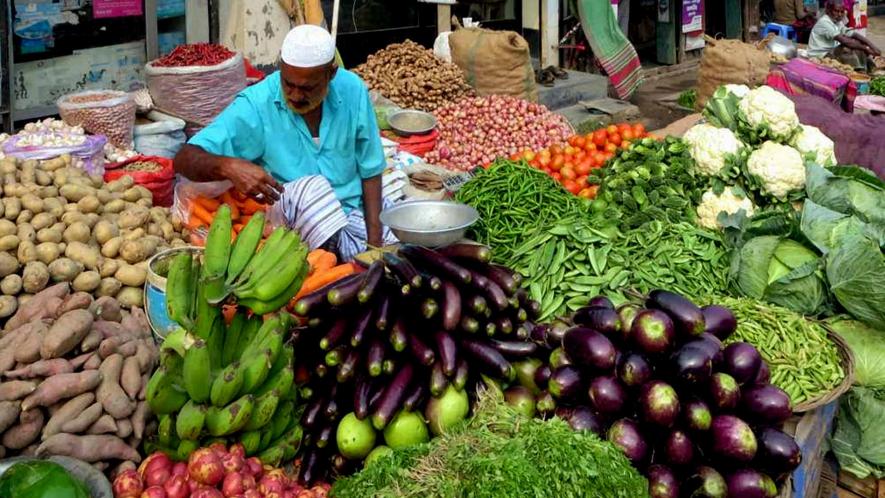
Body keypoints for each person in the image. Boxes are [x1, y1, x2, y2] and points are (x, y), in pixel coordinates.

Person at [173, 25, 399, 261]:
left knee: (412, 230)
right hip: (293, 217)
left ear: (330, 74)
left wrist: (375, 247)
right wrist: (228, 166)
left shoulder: (352, 89)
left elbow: (371, 168)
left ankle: (349, 252)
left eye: (307, 88)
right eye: (288, 84)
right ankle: (333, 255)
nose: (295, 95)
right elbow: (184, 158)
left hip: (352, 210)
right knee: (315, 190)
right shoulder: (256, 104)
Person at [808, 0, 880, 69]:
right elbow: (844, 41)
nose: (839, 14)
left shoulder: (837, 21)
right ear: (828, 11)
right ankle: (859, 71)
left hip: (830, 51)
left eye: (842, 12)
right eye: (836, 11)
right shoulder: (824, 22)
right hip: (820, 55)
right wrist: (867, 49)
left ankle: (866, 68)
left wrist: (872, 46)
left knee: (857, 43)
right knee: (847, 48)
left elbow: (853, 34)